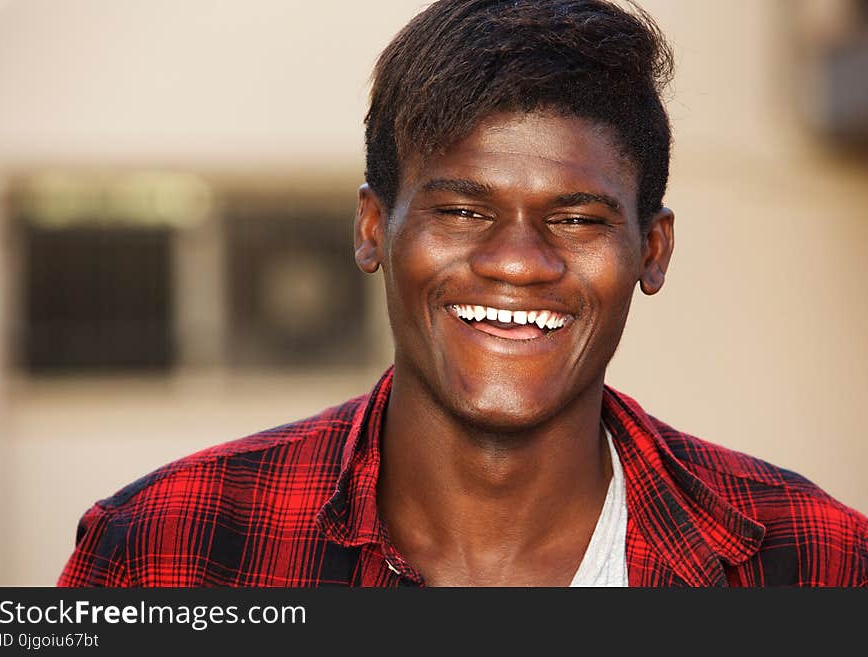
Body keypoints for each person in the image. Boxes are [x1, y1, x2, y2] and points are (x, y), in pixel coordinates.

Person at [58, 0, 867, 587]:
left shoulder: (817, 564)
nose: (517, 262)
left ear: (651, 252)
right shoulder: (166, 550)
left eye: (577, 218)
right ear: (373, 229)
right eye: (461, 210)